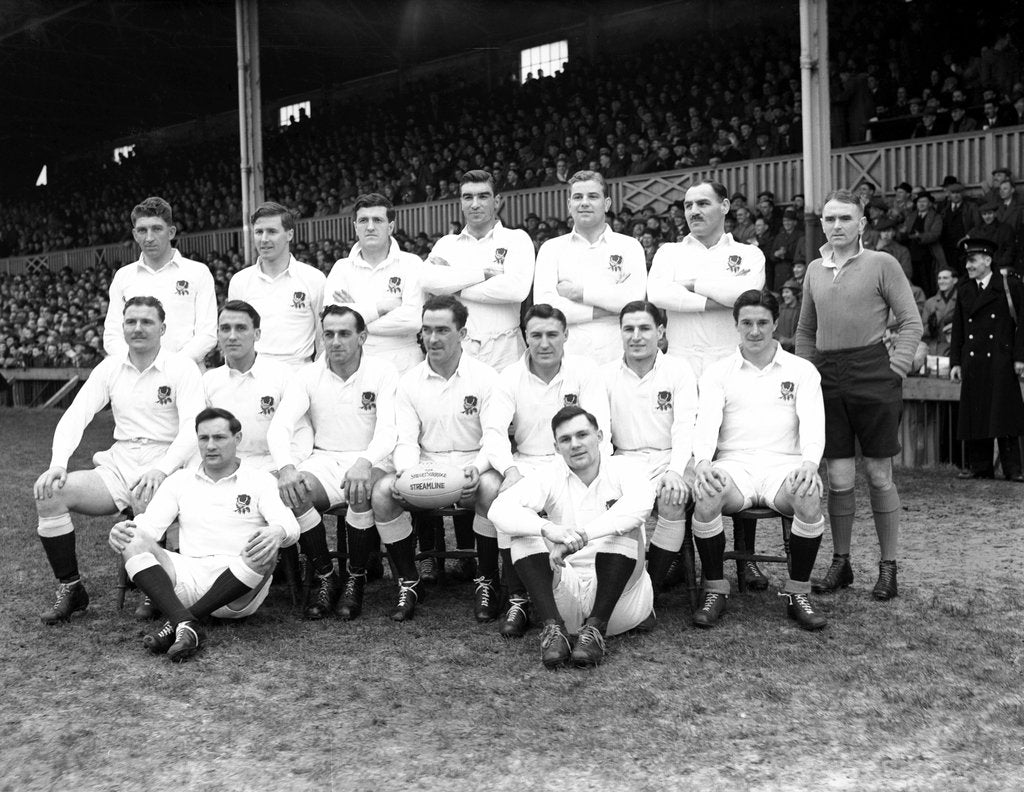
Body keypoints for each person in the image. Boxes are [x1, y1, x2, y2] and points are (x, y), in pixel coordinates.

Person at [32, 296, 205, 624]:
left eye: (147, 322)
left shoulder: (181, 367)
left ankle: (159, 589)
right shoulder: (110, 367)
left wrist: (162, 469)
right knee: (51, 492)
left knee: (147, 498)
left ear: (162, 328)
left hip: (168, 462)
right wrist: (58, 463)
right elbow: (76, 415)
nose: (138, 328)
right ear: (122, 327)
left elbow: (191, 429)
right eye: (131, 322)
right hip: (120, 462)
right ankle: (71, 588)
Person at [796, 189, 923, 602]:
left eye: (844, 219)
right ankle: (842, 562)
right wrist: (805, 376)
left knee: (880, 474)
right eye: (829, 219)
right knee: (838, 478)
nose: (836, 226)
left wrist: (895, 370)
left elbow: (911, 322)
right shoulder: (814, 269)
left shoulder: (881, 263)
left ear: (861, 224)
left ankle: (888, 567)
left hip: (873, 373)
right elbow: (804, 331)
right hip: (827, 377)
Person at [107, 407, 300, 662]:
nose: (210, 446)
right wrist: (121, 532)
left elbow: (290, 527)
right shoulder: (179, 481)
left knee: (265, 548)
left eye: (219, 438)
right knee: (132, 539)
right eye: (203, 438)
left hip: (239, 587)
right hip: (186, 578)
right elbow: (149, 527)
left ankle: (181, 621)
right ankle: (187, 622)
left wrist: (277, 531)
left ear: (237, 439)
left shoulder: (260, 480)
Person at [691, 289, 828, 630]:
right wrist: (703, 461)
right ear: (736, 325)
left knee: (809, 497)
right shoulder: (717, 371)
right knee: (706, 494)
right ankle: (715, 590)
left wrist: (810, 463)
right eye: (747, 323)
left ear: (776, 324)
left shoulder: (802, 370)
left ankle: (797, 594)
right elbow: (706, 422)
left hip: (785, 465)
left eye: (762, 323)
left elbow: (813, 422)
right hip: (735, 464)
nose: (755, 331)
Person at [488, 406, 656, 668]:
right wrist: (548, 529)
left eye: (582, 435)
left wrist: (582, 536)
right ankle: (554, 631)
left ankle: (596, 631)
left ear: (599, 437)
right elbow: (498, 509)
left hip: (621, 601)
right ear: (556, 447)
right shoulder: (549, 474)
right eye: (565, 439)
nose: (575, 444)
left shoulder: (625, 468)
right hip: (567, 593)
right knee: (523, 533)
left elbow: (641, 505)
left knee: (626, 527)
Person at [373, 295, 502, 623]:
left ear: (462, 334)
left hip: (472, 464)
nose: (432, 338)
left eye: (442, 330)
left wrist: (478, 468)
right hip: (426, 467)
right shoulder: (409, 382)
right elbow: (405, 441)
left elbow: (495, 436)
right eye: (427, 330)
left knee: (491, 488)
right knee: (383, 493)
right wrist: (407, 474)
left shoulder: (487, 378)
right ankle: (409, 581)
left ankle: (486, 582)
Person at [485, 303, 611, 637]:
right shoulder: (509, 376)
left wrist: (582, 467)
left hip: (572, 459)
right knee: (507, 500)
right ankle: (517, 599)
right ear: (525, 336)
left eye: (552, 334)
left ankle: (578, 587)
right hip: (527, 462)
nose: (544, 343)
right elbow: (494, 432)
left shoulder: (585, 371)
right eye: (536, 335)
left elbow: (601, 430)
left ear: (566, 335)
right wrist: (509, 469)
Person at [266, 306, 399, 620]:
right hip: (324, 459)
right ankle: (326, 577)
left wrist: (365, 461)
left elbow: (389, 429)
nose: (335, 341)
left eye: (344, 333)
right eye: (329, 334)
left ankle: (355, 579)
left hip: (373, 457)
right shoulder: (308, 375)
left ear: (362, 336)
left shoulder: (383, 371)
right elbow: (280, 426)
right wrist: (285, 467)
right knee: (294, 490)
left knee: (362, 490)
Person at [602, 301, 698, 592]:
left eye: (644, 328)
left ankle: (648, 590)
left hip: (670, 457)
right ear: (620, 332)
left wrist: (676, 470)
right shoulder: (604, 374)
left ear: (660, 331)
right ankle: (617, 581)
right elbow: (600, 434)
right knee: (611, 498)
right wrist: (605, 473)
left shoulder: (679, 370)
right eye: (628, 329)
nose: (636, 336)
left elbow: (685, 427)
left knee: (672, 496)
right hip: (624, 459)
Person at [647, 180, 766, 379]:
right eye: (688, 205)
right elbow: (658, 295)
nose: (693, 211)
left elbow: (747, 296)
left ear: (725, 206)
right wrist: (719, 301)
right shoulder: (668, 252)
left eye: (703, 204)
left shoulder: (749, 254)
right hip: (680, 364)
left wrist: (693, 285)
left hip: (733, 362)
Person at [420, 170, 535, 372]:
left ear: (497, 201)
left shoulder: (517, 239)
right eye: (468, 197)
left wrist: (454, 286)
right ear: (461, 202)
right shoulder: (446, 244)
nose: (475, 204)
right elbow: (428, 281)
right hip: (460, 348)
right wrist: (482, 274)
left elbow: (516, 290)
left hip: (506, 348)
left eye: (483, 196)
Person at [534, 171, 646, 364]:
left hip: (618, 356)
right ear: (569, 205)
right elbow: (545, 308)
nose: (584, 202)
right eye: (578, 197)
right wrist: (606, 309)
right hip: (569, 357)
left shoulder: (629, 246)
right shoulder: (551, 248)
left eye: (593, 196)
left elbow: (634, 301)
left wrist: (580, 293)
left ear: (607, 204)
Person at [103, 197, 217, 365]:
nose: (149, 238)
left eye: (157, 229)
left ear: (171, 232)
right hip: (135, 372)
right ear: (135, 234)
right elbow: (112, 334)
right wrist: (135, 363)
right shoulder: (123, 276)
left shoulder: (198, 272)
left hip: (185, 372)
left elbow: (207, 333)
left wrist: (175, 365)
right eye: (142, 230)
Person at [325, 193, 425, 374]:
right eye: (363, 220)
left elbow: (413, 320)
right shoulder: (341, 268)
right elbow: (332, 322)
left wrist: (354, 321)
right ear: (355, 227)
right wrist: (382, 307)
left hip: (403, 364)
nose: (370, 227)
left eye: (378, 220)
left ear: (391, 227)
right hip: (354, 363)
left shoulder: (412, 263)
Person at [950, 238, 1024, 481]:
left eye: (972, 261)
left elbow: (1022, 324)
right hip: (974, 361)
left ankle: (1013, 469)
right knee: (976, 412)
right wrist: (956, 363)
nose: (968, 266)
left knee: (1005, 414)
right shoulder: (965, 289)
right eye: (967, 262)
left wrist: (1020, 357)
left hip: (1001, 359)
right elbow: (959, 329)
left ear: (987, 261)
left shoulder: (1008, 285)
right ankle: (980, 466)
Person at [227, 202, 326, 369]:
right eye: (259, 232)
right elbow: (233, 335)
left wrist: (318, 377)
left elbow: (323, 337)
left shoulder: (314, 279)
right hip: (254, 376)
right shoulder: (240, 281)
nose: (264, 239)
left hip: (299, 374)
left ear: (289, 234)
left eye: (272, 231)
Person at [967, 201, 1019, 275]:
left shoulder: (1006, 229)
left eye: (990, 213)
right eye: (984, 214)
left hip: (1000, 267)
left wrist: (997, 263)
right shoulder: (976, 231)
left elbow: (1010, 250)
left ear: (995, 214)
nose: (987, 217)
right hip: (982, 268)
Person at [921, 267, 959, 356]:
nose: (941, 281)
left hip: (955, 347)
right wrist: (931, 327)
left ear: (955, 280)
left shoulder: (962, 300)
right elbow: (922, 330)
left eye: (945, 278)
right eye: (939, 278)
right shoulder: (930, 303)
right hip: (935, 348)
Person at [768, 208, 806, 290]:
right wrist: (776, 254)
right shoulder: (779, 236)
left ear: (795, 222)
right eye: (784, 221)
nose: (786, 223)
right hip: (779, 272)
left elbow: (800, 254)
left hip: (792, 270)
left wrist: (784, 254)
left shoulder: (801, 235)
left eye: (789, 221)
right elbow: (771, 255)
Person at [774, 279, 801, 353]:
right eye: (783, 292)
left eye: (787, 292)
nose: (784, 295)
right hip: (780, 349)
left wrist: (790, 341)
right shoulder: (780, 309)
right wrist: (780, 338)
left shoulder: (801, 310)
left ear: (794, 293)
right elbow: (773, 327)